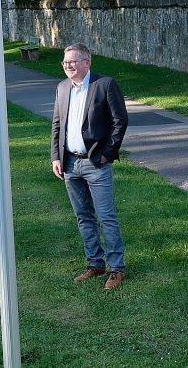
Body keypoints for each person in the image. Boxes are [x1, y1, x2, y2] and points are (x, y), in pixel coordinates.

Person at [51, 43, 129, 289]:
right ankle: (95, 263)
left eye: (73, 61)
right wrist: (56, 156)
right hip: (70, 164)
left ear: (87, 62)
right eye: (65, 62)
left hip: (96, 163)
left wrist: (107, 154)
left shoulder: (104, 85)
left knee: (106, 216)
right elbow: (56, 124)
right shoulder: (63, 88)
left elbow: (120, 121)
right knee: (83, 216)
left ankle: (116, 268)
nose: (68, 66)